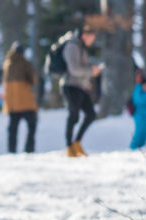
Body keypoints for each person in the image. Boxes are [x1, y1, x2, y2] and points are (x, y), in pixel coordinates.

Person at [61, 25, 102, 157]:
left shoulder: (81, 47)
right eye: (92, 38)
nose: (92, 41)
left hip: (81, 86)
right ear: (85, 35)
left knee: (91, 114)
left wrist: (88, 80)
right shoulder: (72, 46)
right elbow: (74, 69)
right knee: (73, 115)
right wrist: (91, 71)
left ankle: (77, 142)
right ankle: (69, 146)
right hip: (71, 85)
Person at [2, 41, 38, 153]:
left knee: (13, 129)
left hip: (12, 103)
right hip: (25, 102)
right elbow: (33, 80)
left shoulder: (6, 64)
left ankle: (11, 150)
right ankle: (29, 149)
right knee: (32, 125)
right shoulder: (25, 63)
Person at [130, 76, 146, 150]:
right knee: (139, 132)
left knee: (145, 133)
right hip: (139, 116)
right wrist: (145, 94)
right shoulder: (138, 90)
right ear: (143, 85)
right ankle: (132, 148)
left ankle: (141, 148)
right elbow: (138, 101)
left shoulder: (145, 93)